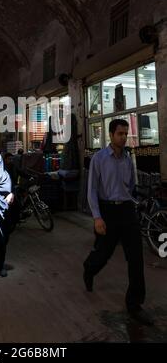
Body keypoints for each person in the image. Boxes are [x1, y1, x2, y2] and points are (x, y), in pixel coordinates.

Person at [83, 119, 153, 326]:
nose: (124, 137)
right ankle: (89, 268)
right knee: (104, 253)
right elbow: (92, 190)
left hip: (126, 210)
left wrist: (132, 202)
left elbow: (131, 185)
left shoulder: (127, 159)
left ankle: (134, 304)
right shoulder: (99, 158)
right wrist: (97, 217)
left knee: (136, 258)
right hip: (107, 211)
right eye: (120, 134)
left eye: (126, 133)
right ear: (111, 135)